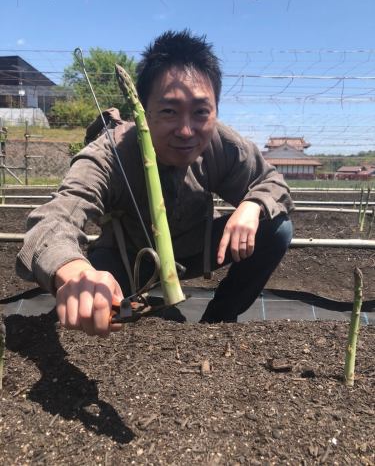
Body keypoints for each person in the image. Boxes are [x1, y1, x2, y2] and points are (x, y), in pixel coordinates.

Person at [16, 29, 294, 336]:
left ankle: (219, 319)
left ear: (215, 110)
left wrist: (252, 204)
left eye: (201, 111)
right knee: (87, 315)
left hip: (195, 249)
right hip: (128, 257)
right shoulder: (110, 154)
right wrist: (74, 272)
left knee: (277, 228)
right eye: (169, 111)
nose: (187, 130)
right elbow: (53, 220)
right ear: (144, 112)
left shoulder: (221, 143)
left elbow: (272, 181)